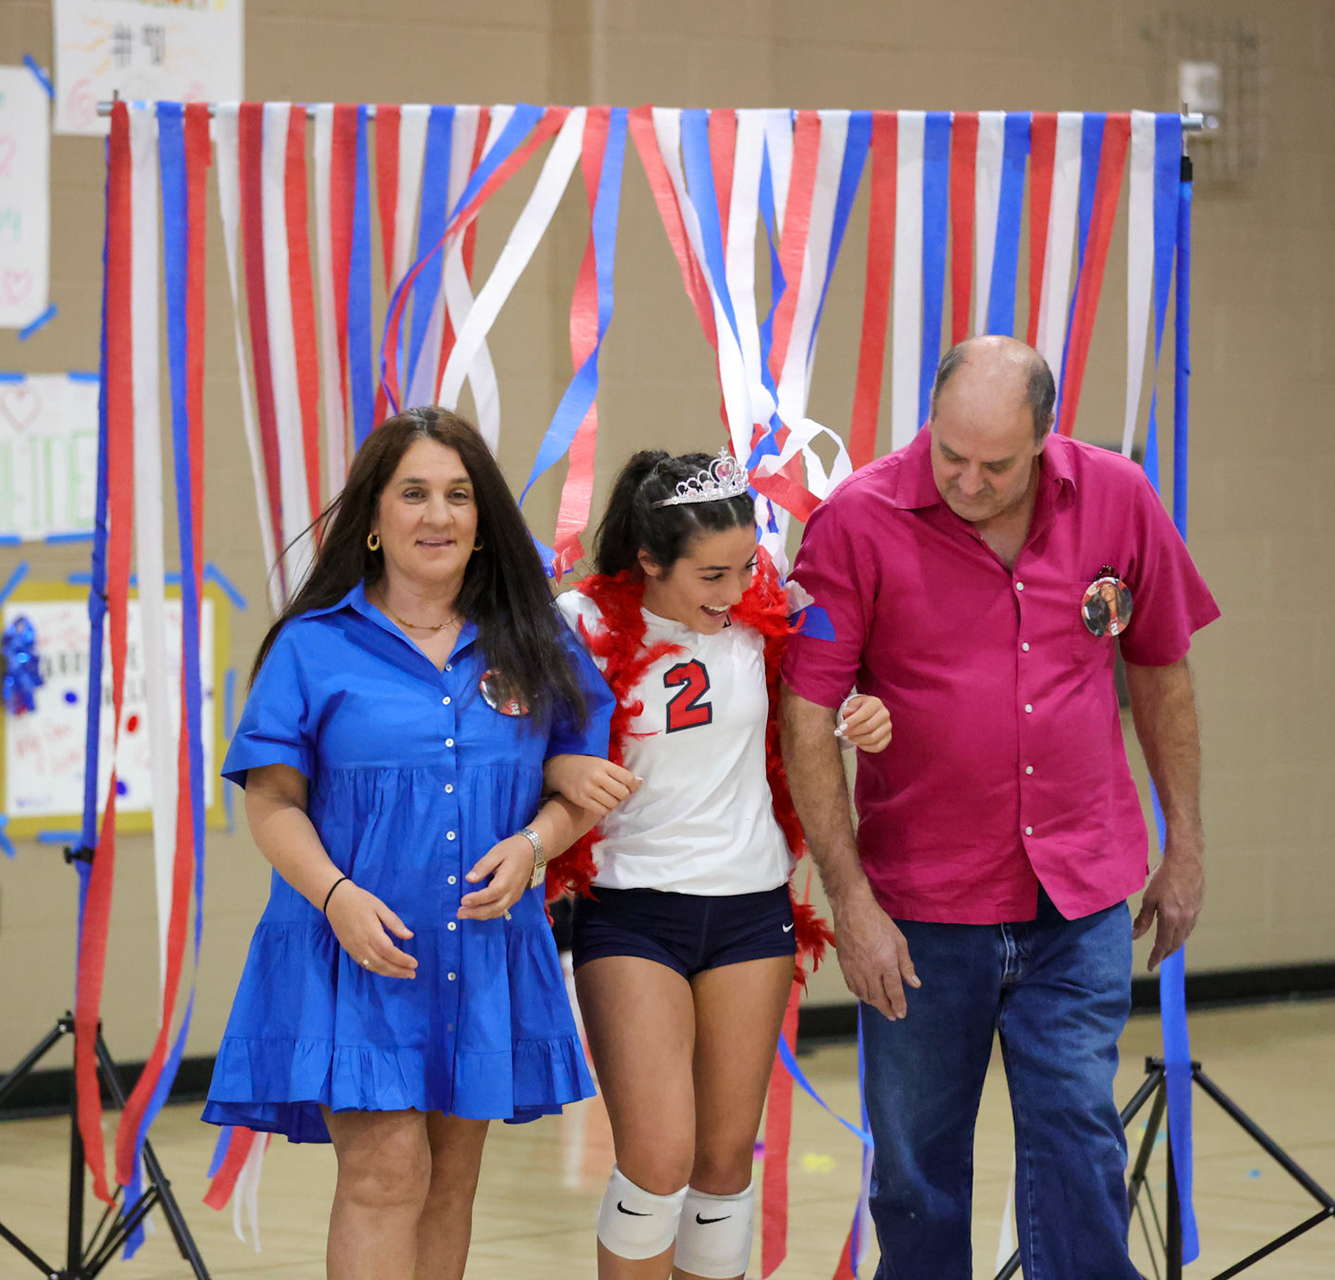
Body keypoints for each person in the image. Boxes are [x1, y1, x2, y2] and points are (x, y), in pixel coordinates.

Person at [780, 336, 1220, 1279]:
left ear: (1045, 437)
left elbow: (1161, 672)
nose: (968, 482)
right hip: (921, 909)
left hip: (1079, 893)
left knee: (1078, 1140)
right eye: (951, 455)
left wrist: (1184, 846)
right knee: (918, 1172)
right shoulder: (856, 521)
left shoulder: (1116, 496)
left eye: (997, 465)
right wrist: (850, 901)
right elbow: (806, 716)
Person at [204, 407, 618, 1280]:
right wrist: (336, 897)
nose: (439, 515)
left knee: (450, 1183)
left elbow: (579, 783)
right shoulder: (313, 648)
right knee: (386, 1173)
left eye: (459, 496)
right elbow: (272, 804)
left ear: (483, 521)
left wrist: (535, 845)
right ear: (373, 518)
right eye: (415, 494)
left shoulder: (534, 639)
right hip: (356, 951)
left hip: (483, 954)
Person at [545, 448, 892, 1280]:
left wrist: (857, 714)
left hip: (750, 909)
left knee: (725, 1163)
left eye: (745, 566)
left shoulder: (767, 613)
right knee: (658, 1157)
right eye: (711, 574)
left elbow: (809, 709)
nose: (735, 590)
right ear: (648, 560)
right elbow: (522, 748)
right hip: (633, 908)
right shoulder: (580, 624)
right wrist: (563, 769)